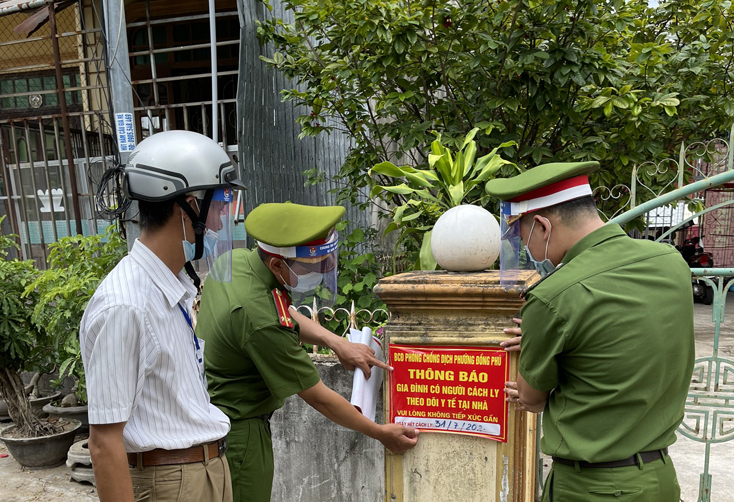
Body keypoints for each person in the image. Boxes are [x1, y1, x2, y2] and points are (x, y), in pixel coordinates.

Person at [486, 161, 694, 501]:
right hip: (660, 480)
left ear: (542, 226)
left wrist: (539, 341)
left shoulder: (554, 296)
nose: (528, 250)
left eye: (524, 239)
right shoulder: (670, 263)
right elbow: (622, 337)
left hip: (592, 488)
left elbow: (531, 398)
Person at [196, 202, 419, 502]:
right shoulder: (259, 321)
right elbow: (319, 398)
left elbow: (282, 310)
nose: (322, 270)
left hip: (215, 420)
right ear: (277, 265)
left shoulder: (234, 263)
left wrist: (337, 342)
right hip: (241, 437)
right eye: (313, 266)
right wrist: (381, 433)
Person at [80, 130, 245, 502]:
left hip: (205, 471)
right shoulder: (126, 304)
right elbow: (104, 443)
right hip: (169, 482)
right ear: (186, 207)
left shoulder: (172, 286)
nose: (220, 222)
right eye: (217, 205)